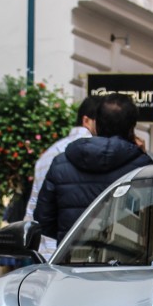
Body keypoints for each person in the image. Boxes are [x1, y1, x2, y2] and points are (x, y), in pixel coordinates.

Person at [33, 92, 153, 244]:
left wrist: (69, 234)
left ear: (95, 124)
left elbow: (43, 221)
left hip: (70, 260)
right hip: (124, 260)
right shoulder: (143, 167)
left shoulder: (60, 162)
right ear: (131, 128)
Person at [25, 97, 100, 259]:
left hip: (48, 252)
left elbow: (33, 209)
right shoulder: (98, 153)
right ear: (86, 120)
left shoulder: (47, 155)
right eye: (101, 120)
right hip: (89, 255)